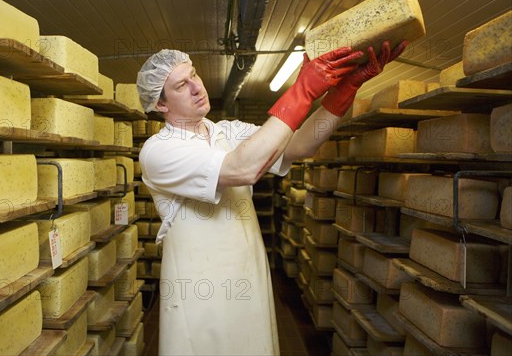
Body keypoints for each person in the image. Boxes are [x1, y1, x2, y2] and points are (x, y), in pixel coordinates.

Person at [136, 40, 407, 355]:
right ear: (161, 105)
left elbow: (297, 146)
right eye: (182, 85)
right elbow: (242, 168)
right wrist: (301, 91)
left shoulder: (227, 131)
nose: (197, 87)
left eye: (194, 75)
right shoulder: (159, 150)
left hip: (247, 273)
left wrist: (344, 90)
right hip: (201, 288)